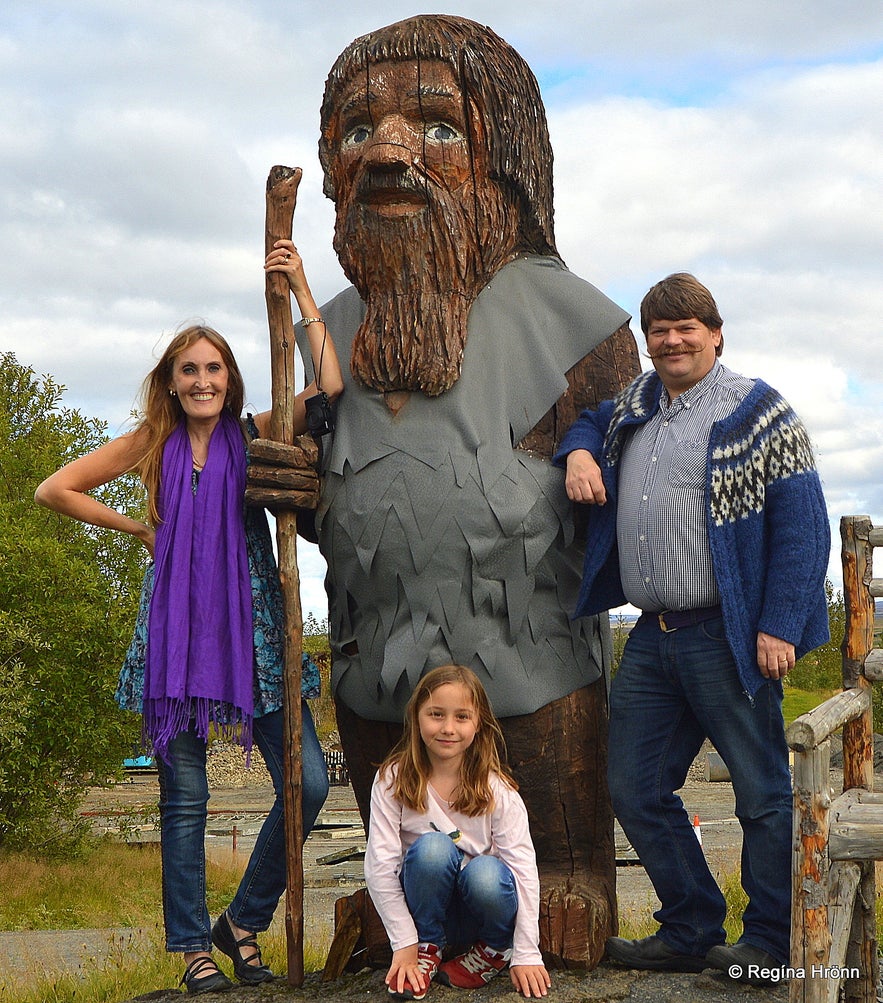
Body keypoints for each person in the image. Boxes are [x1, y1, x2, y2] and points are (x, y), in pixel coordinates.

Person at [272, 15, 642, 968]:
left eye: (435, 126)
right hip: (378, 658)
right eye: (357, 134)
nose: (388, 152)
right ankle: (402, 905)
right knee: (391, 778)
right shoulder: (335, 327)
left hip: (537, 664)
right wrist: (285, 481)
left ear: (505, 157)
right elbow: (332, 484)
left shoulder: (576, 324)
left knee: (547, 809)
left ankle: (567, 875)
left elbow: (622, 462)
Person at [34, 241, 343, 994]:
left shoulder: (255, 429)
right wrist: (139, 529)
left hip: (258, 638)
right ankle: (192, 949)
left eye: (213, 369)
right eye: (189, 370)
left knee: (309, 781)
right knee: (186, 801)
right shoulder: (153, 442)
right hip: (173, 641)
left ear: (230, 380)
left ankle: (240, 920)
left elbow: (332, 384)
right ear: (171, 383)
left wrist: (302, 288)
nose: (202, 380)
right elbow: (55, 487)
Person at [554, 272, 830, 985]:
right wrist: (579, 453)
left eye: (686, 328)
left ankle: (768, 943)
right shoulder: (637, 405)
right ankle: (690, 925)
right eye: (659, 330)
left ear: (714, 333)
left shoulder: (758, 412)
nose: (671, 340)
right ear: (647, 342)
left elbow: (803, 531)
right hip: (652, 634)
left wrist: (778, 626)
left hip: (729, 632)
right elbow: (588, 418)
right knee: (634, 783)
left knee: (761, 793)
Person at [364, 665, 552, 1001]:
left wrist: (527, 951)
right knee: (432, 849)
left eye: (462, 717)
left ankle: (495, 949)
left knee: (485, 873)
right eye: (436, 714)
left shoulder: (499, 791)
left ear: (478, 723)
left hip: (482, 910)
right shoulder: (393, 780)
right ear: (417, 716)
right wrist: (403, 943)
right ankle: (426, 948)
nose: (448, 728)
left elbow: (523, 871)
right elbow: (381, 863)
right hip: (427, 912)